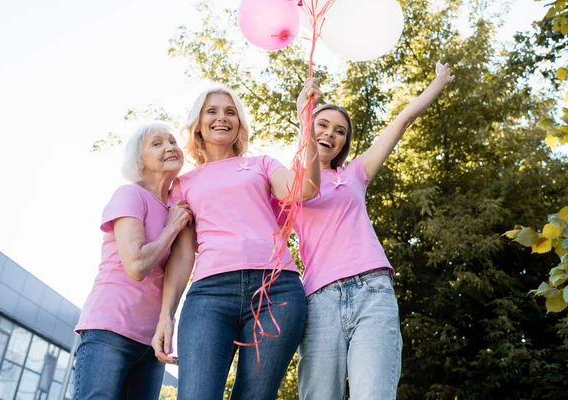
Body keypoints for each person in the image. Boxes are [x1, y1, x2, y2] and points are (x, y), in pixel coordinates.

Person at [283, 62, 455, 399]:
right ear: (308, 128)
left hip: (372, 293)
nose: (330, 134)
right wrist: (304, 118)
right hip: (319, 301)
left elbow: (401, 122)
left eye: (339, 131)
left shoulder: (355, 174)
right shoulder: (286, 184)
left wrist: (438, 82)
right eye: (322, 125)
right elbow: (302, 189)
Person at [151, 81, 322, 399]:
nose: (222, 118)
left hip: (276, 291)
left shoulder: (261, 164)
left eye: (230, 112)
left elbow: (306, 187)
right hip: (209, 296)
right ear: (198, 124)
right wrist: (166, 317)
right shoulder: (184, 184)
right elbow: (183, 255)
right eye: (212, 111)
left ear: (239, 122)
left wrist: (307, 122)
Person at [74, 122, 193, 400]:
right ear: (140, 162)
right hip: (109, 330)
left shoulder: (178, 208)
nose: (170, 147)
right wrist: (171, 228)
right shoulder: (130, 195)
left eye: (173, 141)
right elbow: (136, 266)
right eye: (157, 143)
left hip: (151, 343)